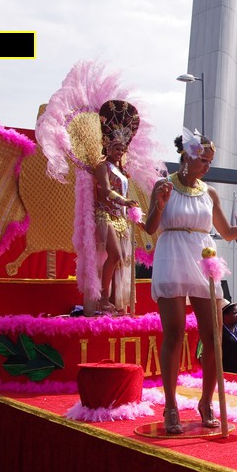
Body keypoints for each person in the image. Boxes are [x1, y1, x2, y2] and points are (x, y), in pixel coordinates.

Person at [142, 129, 237, 434]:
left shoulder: (210, 193)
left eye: (210, 161)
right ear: (187, 156)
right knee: (174, 333)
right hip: (171, 255)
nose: (207, 166)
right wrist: (160, 205)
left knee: (214, 336)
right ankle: (170, 405)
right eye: (203, 160)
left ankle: (206, 402)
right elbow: (149, 228)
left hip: (203, 258)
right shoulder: (164, 186)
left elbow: (228, 233)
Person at [93, 100, 141, 315]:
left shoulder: (121, 172)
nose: (120, 151)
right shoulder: (102, 167)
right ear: (108, 147)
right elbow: (105, 191)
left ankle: (115, 300)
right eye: (116, 148)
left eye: (122, 148)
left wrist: (130, 208)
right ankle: (102, 298)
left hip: (120, 218)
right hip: (104, 214)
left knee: (121, 260)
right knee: (115, 255)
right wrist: (124, 201)